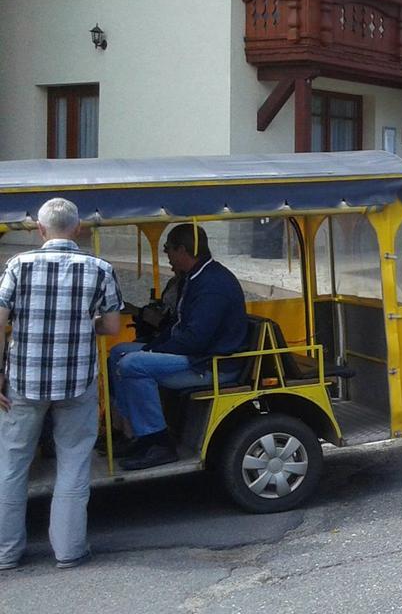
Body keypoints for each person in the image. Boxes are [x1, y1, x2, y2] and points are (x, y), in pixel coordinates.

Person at [0, 198, 123, 571]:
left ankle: (6, 553)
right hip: (77, 382)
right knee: (73, 463)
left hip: (24, 382)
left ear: (40, 230)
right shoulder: (99, 268)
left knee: (12, 465)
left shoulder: (18, 266)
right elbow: (113, 327)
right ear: (78, 228)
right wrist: (89, 325)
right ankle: (69, 551)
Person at [107, 224, 249, 470]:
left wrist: (150, 352)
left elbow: (194, 339)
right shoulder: (195, 277)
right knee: (118, 352)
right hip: (196, 354)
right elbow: (176, 327)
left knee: (132, 363)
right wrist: (152, 345)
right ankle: (137, 435)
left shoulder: (212, 284)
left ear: (182, 250)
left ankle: (158, 442)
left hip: (211, 362)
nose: (167, 256)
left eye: (168, 250)